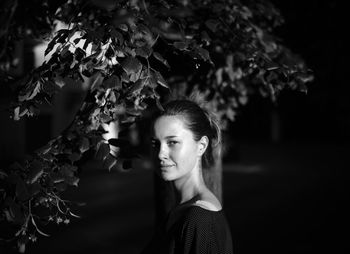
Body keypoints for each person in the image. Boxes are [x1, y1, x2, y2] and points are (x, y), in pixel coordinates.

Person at [103, 99, 233, 254]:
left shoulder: (200, 220)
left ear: (201, 146)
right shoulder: (183, 210)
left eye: (172, 142)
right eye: (155, 143)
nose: (160, 154)